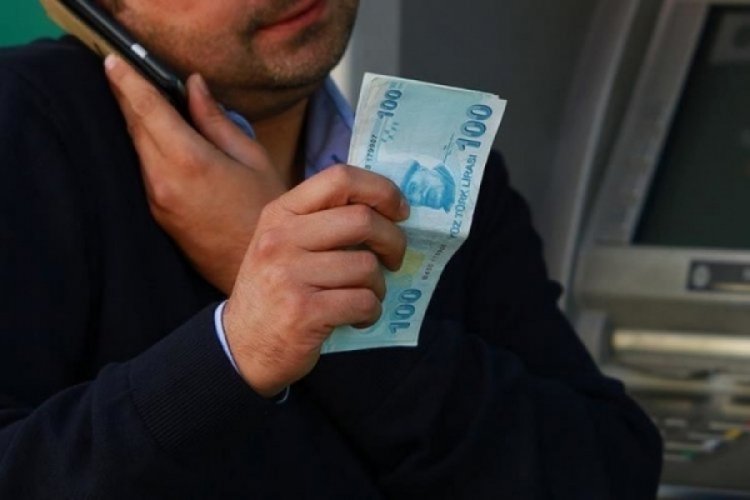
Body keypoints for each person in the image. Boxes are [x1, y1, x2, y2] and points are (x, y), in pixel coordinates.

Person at [0, 0, 662, 498]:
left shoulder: (438, 166)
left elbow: (607, 470)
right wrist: (235, 348)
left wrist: (331, 314)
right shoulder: (28, 128)